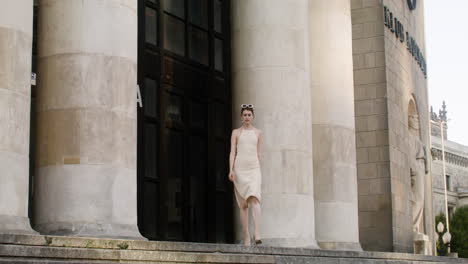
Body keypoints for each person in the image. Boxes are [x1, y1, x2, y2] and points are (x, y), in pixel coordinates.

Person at [228, 104, 262, 246]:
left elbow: (258, 152)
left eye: (249, 115)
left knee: (255, 198)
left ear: (253, 117)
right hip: (240, 169)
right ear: (241, 117)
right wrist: (231, 170)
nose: (247, 117)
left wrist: (259, 169)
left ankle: (257, 233)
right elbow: (232, 152)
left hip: (254, 168)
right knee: (243, 205)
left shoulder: (258, 133)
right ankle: (246, 235)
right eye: (245, 115)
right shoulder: (236, 132)